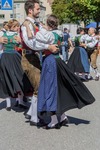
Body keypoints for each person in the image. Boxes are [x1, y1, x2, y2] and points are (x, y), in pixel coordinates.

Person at [30, 15, 95, 129]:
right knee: (59, 88)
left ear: (49, 24)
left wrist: (42, 27)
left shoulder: (49, 34)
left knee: (50, 89)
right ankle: (63, 116)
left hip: (50, 61)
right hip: (57, 60)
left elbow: (38, 37)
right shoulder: (59, 33)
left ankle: (54, 120)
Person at [20, 0, 58, 126]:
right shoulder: (26, 24)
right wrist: (48, 46)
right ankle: (34, 118)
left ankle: (32, 113)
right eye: (37, 9)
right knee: (39, 86)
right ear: (30, 10)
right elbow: (30, 43)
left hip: (35, 57)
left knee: (40, 85)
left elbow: (44, 35)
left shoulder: (35, 23)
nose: (39, 10)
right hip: (28, 58)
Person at [0, 19, 33, 111]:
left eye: (18, 26)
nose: (18, 28)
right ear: (12, 27)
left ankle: (20, 101)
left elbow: (25, 46)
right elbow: (1, 48)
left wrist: (21, 42)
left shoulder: (18, 35)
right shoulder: (2, 34)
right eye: (17, 26)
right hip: (6, 57)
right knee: (6, 78)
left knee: (19, 77)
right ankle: (8, 103)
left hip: (14, 57)